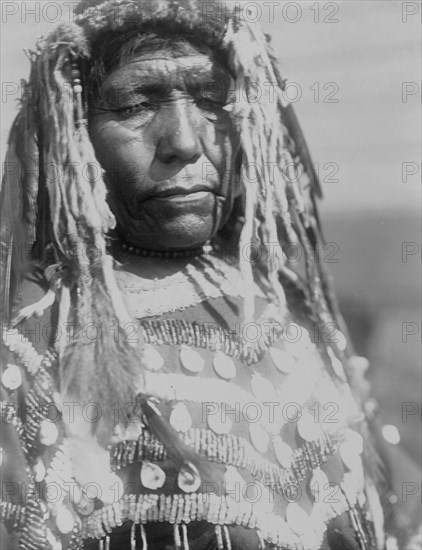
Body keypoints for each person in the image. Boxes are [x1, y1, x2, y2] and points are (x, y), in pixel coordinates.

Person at [0, 1, 420, 549]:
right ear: (75, 133)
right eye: (135, 104)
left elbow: (402, 510)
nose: (185, 141)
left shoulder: (290, 301)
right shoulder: (39, 345)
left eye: (211, 100)